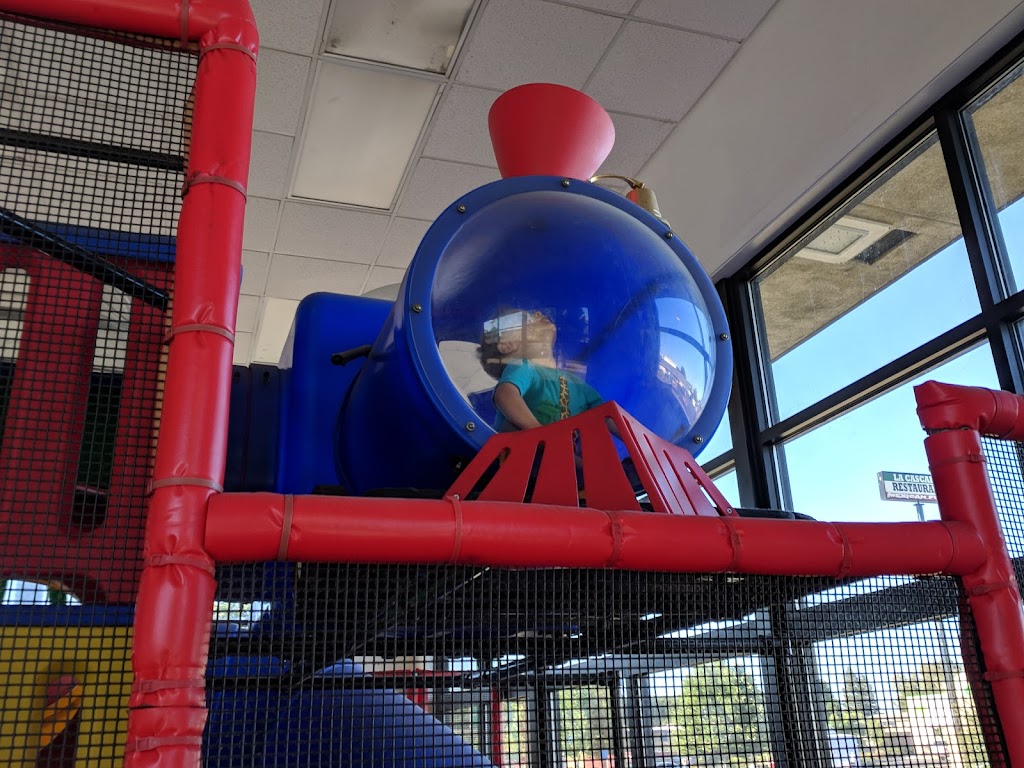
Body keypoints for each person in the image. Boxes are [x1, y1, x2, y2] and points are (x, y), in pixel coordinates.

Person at [478, 308, 604, 431]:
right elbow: (505, 395)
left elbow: (606, 414)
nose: (538, 313)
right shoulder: (523, 366)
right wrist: (539, 433)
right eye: (525, 318)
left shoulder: (574, 381)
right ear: (507, 344)